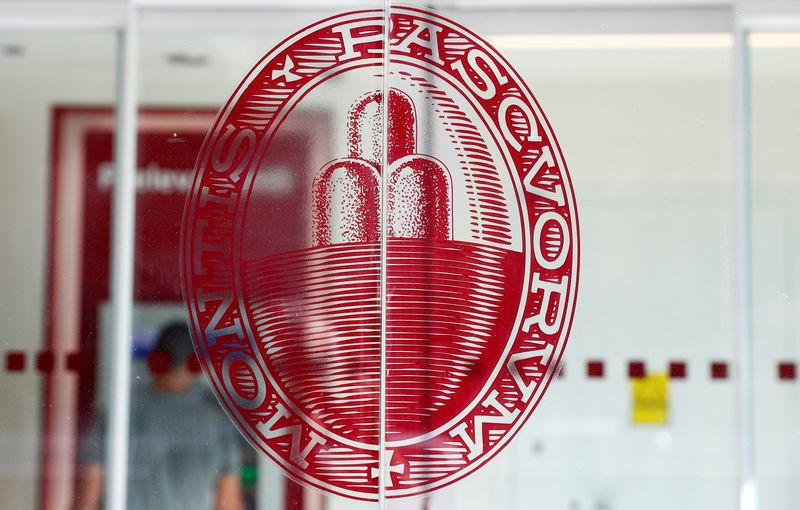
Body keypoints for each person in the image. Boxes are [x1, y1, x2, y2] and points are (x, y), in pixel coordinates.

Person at [73, 322, 244, 510]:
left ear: (156, 361)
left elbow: (88, 495)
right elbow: (228, 504)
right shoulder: (217, 425)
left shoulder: (121, 412)